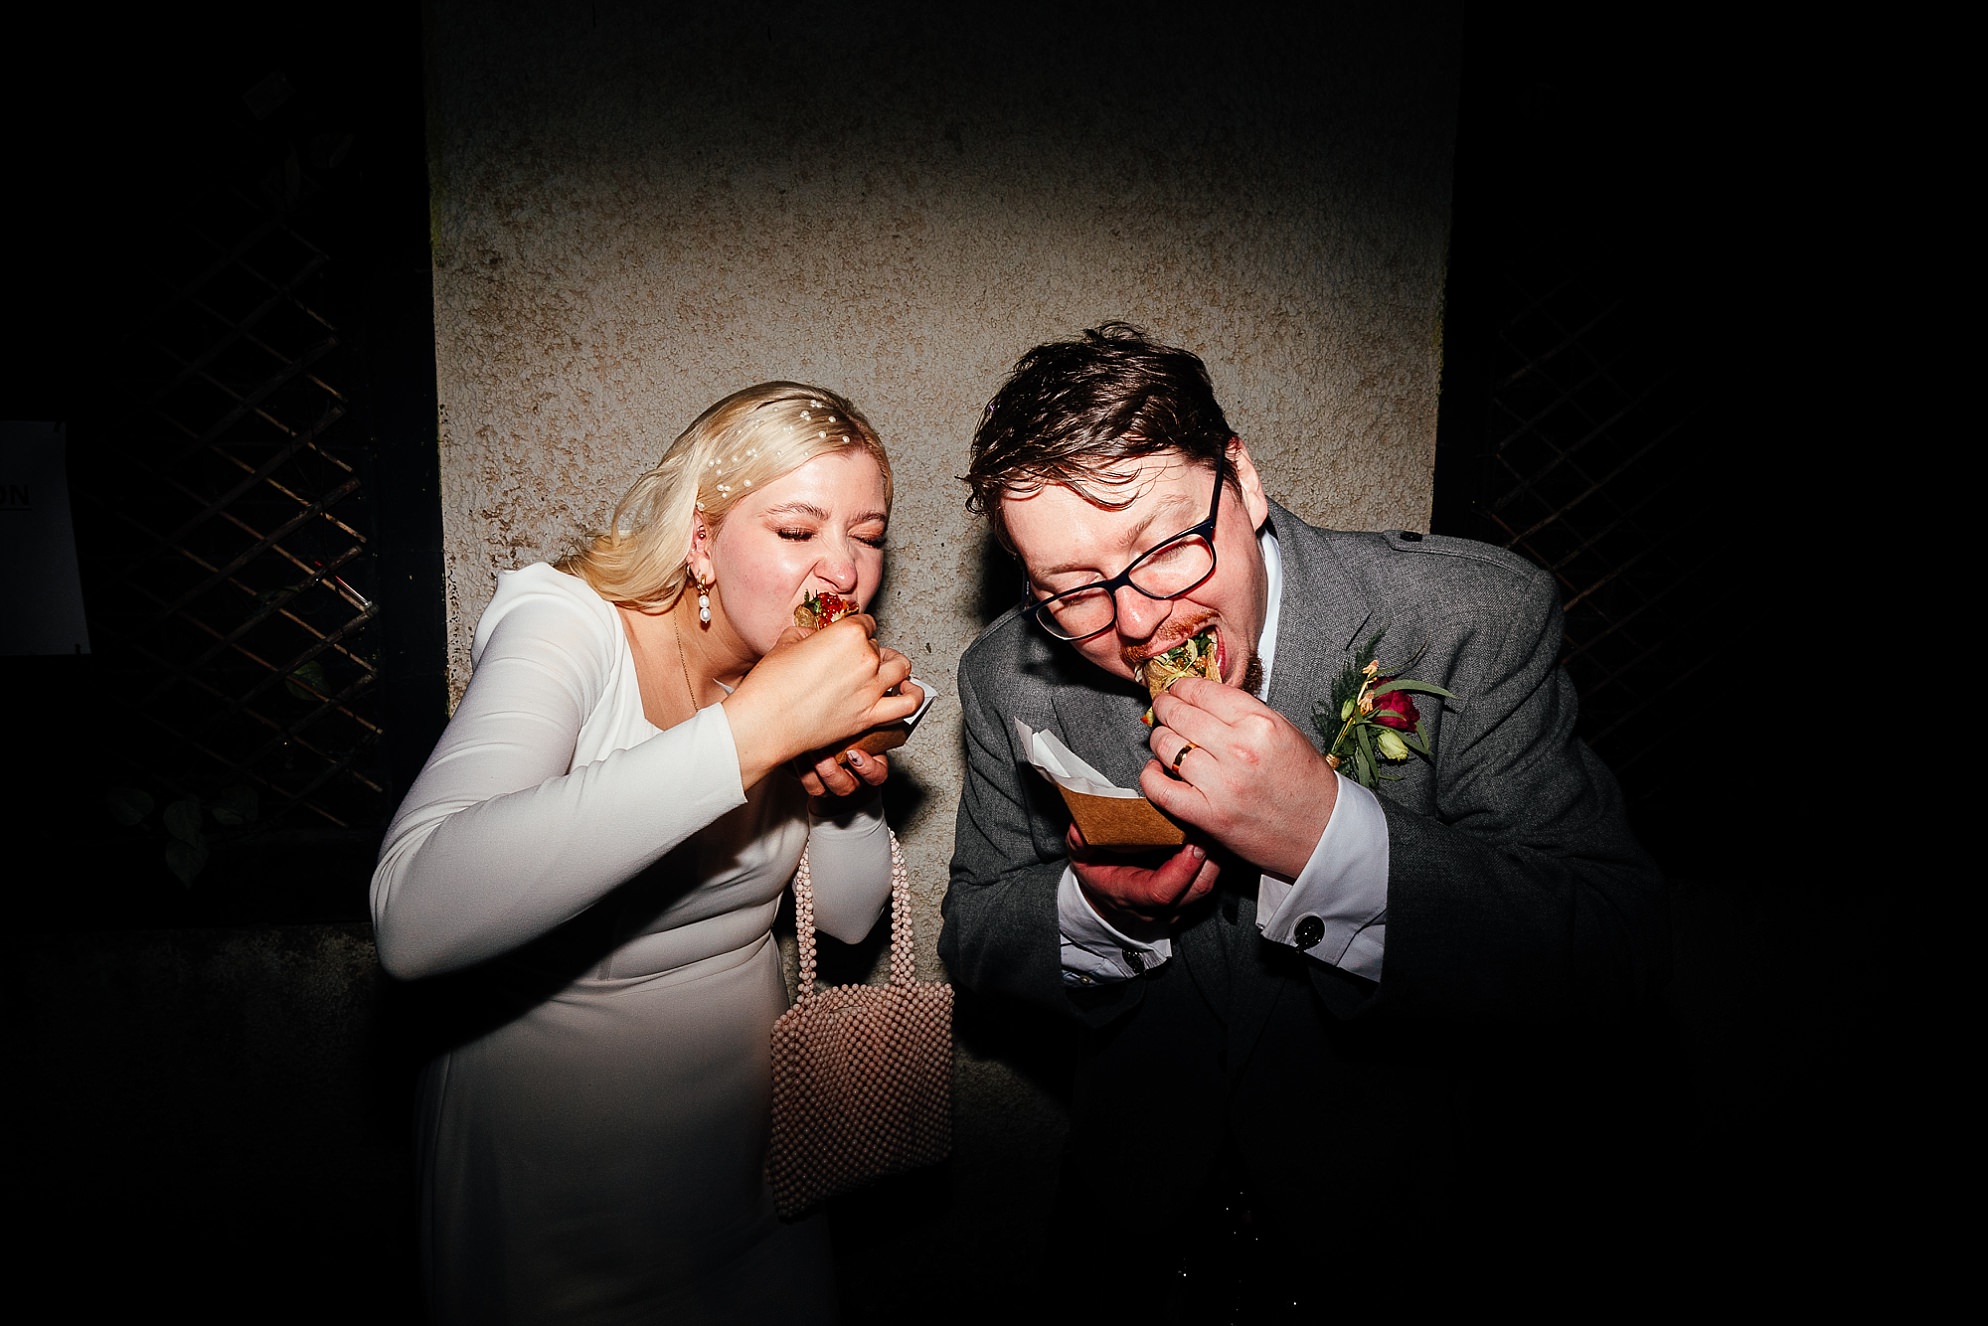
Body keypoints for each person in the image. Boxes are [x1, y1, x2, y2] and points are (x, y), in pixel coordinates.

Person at [941, 324, 1670, 1312]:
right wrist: (1099, 915)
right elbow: (975, 929)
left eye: (1161, 546)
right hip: (1130, 1213)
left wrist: (1327, 838)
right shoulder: (1005, 676)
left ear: (1238, 481)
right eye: (1070, 590)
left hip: (1399, 1221)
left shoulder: (1466, 618)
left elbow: (1613, 950)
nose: (1137, 620)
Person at [371, 382, 924, 1325]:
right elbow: (413, 917)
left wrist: (850, 779)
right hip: (550, 1195)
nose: (843, 569)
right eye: (798, 531)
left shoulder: (791, 662)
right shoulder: (568, 623)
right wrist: (754, 732)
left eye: (866, 534)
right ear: (701, 541)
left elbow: (847, 917)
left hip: (754, 1175)